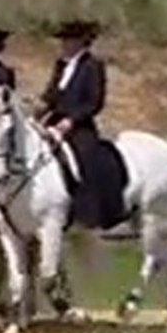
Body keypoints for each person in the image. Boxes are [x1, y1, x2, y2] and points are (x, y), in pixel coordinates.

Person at [35, 19, 127, 229]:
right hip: (53, 122)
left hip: (80, 126)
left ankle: (89, 212)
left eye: (68, 41)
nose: (64, 45)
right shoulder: (61, 65)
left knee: (85, 158)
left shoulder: (93, 66)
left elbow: (94, 101)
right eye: (63, 41)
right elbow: (52, 94)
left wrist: (72, 120)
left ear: (81, 42)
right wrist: (39, 109)